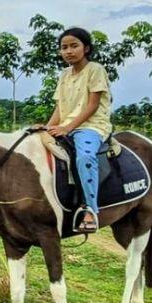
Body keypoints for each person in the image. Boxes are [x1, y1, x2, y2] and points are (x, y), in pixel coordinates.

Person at [45, 27, 113, 233]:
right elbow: (61, 107)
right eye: (64, 47)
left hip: (91, 126)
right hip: (65, 125)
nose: (68, 51)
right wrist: (47, 126)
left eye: (74, 46)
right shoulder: (65, 74)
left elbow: (92, 105)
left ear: (87, 48)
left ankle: (91, 210)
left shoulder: (95, 70)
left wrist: (67, 128)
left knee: (84, 157)